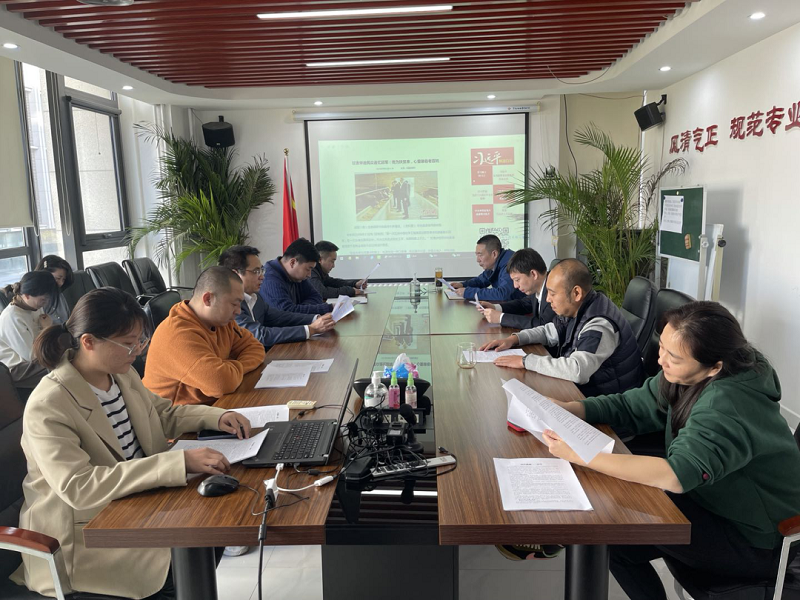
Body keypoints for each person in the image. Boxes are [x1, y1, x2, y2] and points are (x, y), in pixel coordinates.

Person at [541, 301, 800, 600]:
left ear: (714, 367)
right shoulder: (690, 374)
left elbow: (676, 475)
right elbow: (633, 405)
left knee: (611, 530)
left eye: (673, 357)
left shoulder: (726, 405)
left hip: (757, 540)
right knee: (611, 537)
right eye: (662, 347)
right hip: (713, 502)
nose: (660, 359)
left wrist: (581, 455)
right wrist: (574, 409)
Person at [10, 287, 251, 599]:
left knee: (217, 520)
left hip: (136, 503)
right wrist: (178, 463)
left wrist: (217, 417)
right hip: (86, 536)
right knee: (188, 554)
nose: (137, 350)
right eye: (128, 343)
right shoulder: (49, 404)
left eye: (140, 340)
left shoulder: (120, 374)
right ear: (89, 342)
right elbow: (79, 486)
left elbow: (162, 413)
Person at [480, 259, 643, 397]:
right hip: (589, 393)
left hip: (611, 408)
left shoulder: (599, 324)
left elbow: (577, 370)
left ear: (576, 293)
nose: (548, 299)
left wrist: (525, 361)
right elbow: (549, 331)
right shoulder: (578, 307)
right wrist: (515, 339)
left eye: (552, 293)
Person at [143, 266, 265, 407]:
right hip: (172, 416)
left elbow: (255, 347)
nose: (238, 311)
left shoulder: (221, 321)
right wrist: (228, 373)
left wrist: (231, 370)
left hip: (212, 405)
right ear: (208, 299)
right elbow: (222, 383)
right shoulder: (178, 334)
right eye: (234, 304)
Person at [218, 245, 336, 349]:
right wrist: (310, 329)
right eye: (256, 271)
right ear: (235, 274)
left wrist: (315, 318)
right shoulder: (230, 304)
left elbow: (279, 316)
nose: (262, 277)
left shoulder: (255, 296)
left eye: (261, 270)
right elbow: (259, 335)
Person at [0, 271, 58, 389]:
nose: (45, 302)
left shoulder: (34, 306)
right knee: (64, 366)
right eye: (43, 299)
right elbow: (32, 356)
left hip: (35, 360)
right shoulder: (13, 317)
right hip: (18, 369)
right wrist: (47, 328)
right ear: (26, 295)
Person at [478, 248, 555, 329]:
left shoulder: (554, 291)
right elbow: (523, 304)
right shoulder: (537, 287)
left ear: (533, 274)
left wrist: (501, 318)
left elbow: (543, 325)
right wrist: (495, 307)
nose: (515, 286)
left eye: (517, 280)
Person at [259, 238, 334, 315]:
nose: (309, 275)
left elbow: (316, 296)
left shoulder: (297, 276)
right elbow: (286, 313)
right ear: (293, 262)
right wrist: (328, 308)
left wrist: (298, 308)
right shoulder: (269, 279)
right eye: (308, 269)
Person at [451, 234, 524, 302]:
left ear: (494, 254)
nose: (478, 260)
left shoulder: (511, 265)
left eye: (480, 255)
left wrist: (468, 292)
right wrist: (462, 285)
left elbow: (502, 294)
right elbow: (480, 281)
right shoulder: (494, 264)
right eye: (477, 255)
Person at [34, 254, 74, 326]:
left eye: (63, 280)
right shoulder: (34, 299)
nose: (61, 283)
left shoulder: (59, 294)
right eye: (58, 278)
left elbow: (68, 321)